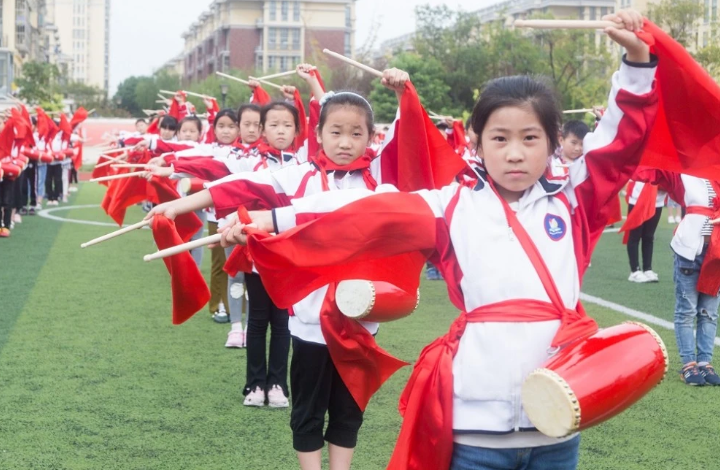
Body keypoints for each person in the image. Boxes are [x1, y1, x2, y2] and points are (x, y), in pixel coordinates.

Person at [217, 9, 655, 470]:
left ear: (552, 142)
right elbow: (361, 214)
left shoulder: (574, 201)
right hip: (474, 425)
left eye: (530, 137)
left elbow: (620, 141)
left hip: (557, 417)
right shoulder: (449, 206)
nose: (514, 153)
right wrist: (272, 218)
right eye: (499, 137)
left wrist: (637, 63)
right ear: (477, 145)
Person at [146, 65, 411, 470]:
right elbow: (238, 188)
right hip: (309, 321)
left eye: (356, 134)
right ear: (318, 135)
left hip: (361, 318)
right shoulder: (299, 176)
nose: (345, 142)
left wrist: (403, 93)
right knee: (306, 410)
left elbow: (410, 140)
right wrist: (175, 205)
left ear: (371, 137)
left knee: (348, 411)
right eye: (335, 132)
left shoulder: (380, 180)